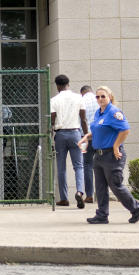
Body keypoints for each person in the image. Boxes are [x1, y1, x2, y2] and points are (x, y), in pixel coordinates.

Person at [78, 85, 139, 224]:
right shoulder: (99, 113)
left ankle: (136, 208)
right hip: (99, 155)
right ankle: (102, 215)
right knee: (100, 187)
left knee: (115, 185)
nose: (100, 99)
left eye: (103, 96)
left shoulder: (114, 112)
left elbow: (125, 130)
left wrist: (116, 146)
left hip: (112, 156)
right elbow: (99, 131)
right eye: (98, 96)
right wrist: (87, 137)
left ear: (110, 97)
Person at [50, 74, 88, 208]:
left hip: (60, 135)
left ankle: (64, 198)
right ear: (68, 84)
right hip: (76, 134)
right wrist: (86, 136)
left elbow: (52, 119)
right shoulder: (79, 98)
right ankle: (79, 192)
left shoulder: (54, 100)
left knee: (61, 168)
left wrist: (51, 135)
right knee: (79, 166)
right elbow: (83, 119)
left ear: (57, 86)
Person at [79, 85, 98, 203]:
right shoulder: (99, 99)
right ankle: (102, 193)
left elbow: (80, 120)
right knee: (102, 165)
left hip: (85, 138)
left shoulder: (81, 101)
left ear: (82, 93)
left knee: (87, 165)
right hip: (100, 137)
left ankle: (89, 195)